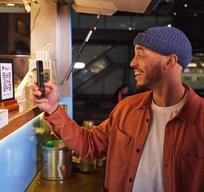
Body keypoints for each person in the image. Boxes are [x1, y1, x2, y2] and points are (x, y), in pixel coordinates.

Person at [32, 26, 204, 192]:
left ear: (169, 61)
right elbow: (90, 144)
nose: (132, 63)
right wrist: (52, 108)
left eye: (140, 55)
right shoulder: (126, 108)